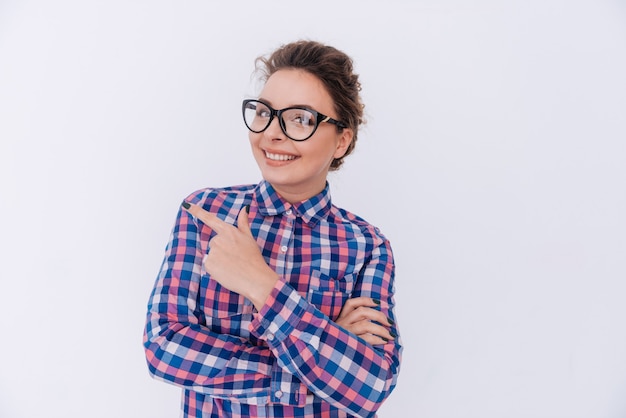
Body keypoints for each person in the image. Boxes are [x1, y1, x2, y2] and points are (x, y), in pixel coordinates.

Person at [143, 40, 402, 418]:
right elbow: (164, 348)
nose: (271, 134)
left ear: (342, 140)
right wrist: (326, 349)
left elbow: (369, 387)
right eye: (264, 112)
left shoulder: (367, 246)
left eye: (300, 119)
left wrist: (260, 283)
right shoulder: (206, 214)